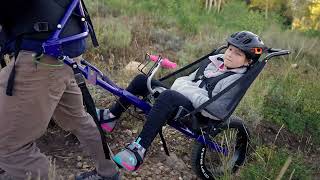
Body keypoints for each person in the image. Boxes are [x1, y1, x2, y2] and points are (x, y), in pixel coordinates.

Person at [96, 31, 266, 171]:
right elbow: (187, 79)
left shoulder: (235, 80)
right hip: (184, 99)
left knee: (168, 96)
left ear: (248, 61)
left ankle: (138, 150)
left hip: (197, 114)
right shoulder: (214, 62)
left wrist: (185, 89)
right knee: (142, 80)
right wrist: (184, 87)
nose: (230, 55)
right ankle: (111, 115)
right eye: (230, 49)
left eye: (238, 54)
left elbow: (215, 108)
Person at [0, 0, 119, 179]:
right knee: (78, 119)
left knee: (9, 145)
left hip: (41, 56)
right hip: (63, 52)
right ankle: (108, 172)